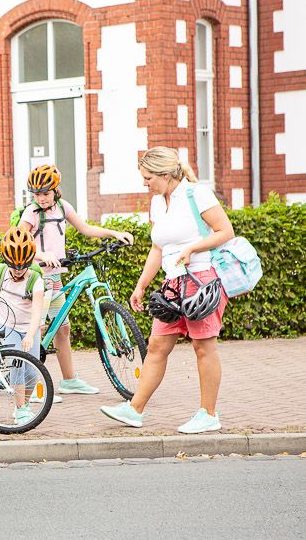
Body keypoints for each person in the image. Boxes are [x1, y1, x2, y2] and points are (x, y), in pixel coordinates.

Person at [100, 146, 233, 433]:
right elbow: (157, 248)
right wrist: (141, 285)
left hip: (201, 280)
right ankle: (134, 409)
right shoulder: (158, 203)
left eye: (148, 178)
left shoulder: (197, 194)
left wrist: (193, 248)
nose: (144, 183)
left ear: (164, 174)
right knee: (157, 345)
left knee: (203, 347)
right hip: (172, 284)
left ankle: (208, 414)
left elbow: (226, 231)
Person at [18, 164, 134, 401]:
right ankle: (30, 388)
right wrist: (41, 256)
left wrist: (114, 234)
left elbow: (86, 228)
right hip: (37, 279)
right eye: (37, 194)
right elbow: (19, 241)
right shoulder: (31, 213)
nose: (41, 198)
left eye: (45, 193)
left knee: (63, 328)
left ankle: (69, 380)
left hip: (56, 279)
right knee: (36, 330)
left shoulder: (62, 207)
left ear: (55, 190)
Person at [0, 226, 46, 424]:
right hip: (8, 327)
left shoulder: (36, 281)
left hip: (29, 328)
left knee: (32, 370)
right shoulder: (0, 273)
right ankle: (20, 409)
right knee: (17, 366)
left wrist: (30, 334)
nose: (18, 270)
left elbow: (37, 311)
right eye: (14, 266)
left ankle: (25, 404)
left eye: (22, 266)